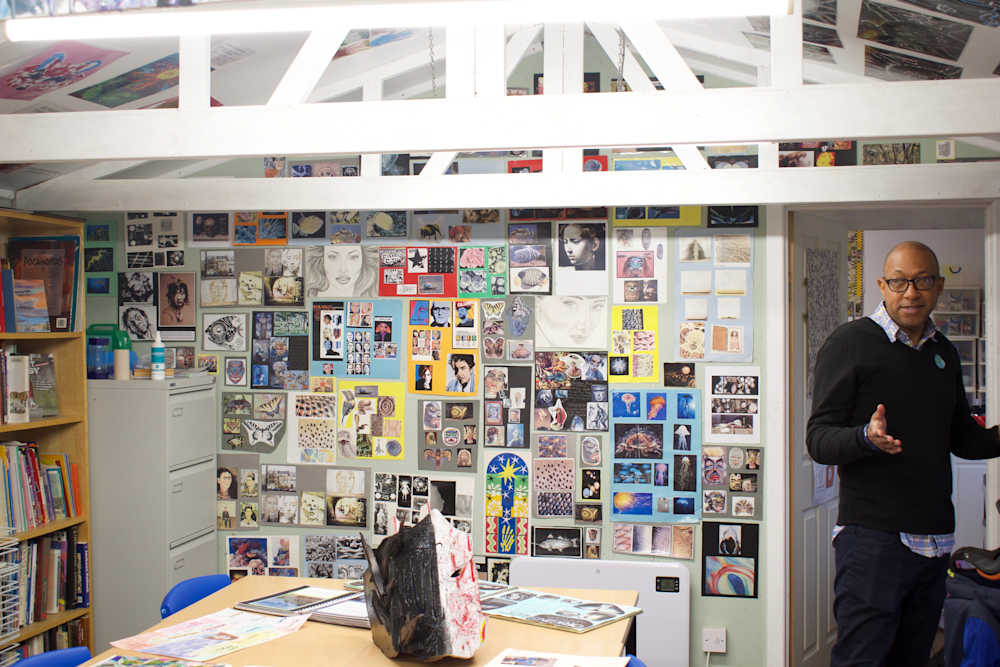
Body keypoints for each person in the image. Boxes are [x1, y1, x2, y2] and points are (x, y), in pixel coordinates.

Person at [806, 241, 1000, 667]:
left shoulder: (944, 354)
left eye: (922, 280)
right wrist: (864, 438)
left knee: (912, 658)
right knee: (863, 659)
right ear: (882, 285)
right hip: (874, 540)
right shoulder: (850, 343)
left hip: (934, 540)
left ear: (938, 286)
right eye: (899, 281)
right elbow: (818, 439)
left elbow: (962, 437)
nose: (911, 292)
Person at [304, 244, 378, 298]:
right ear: (322, 260)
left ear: (363, 260)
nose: (343, 269)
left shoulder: (371, 295)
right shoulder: (310, 295)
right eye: (332, 257)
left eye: (353, 257)